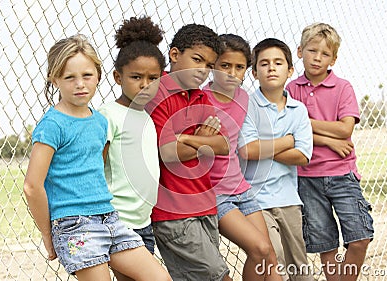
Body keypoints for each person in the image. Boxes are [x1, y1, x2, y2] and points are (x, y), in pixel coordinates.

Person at [23, 34, 171, 281]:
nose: (80, 84)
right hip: (74, 224)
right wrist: (49, 236)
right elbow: (32, 186)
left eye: (87, 76)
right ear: (55, 79)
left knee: (160, 278)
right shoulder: (52, 125)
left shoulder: (100, 121)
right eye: (69, 77)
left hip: (110, 218)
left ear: (99, 76)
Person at [286, 23, 374, 281]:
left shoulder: (343, 87)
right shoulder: (292, 89)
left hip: (342, 175)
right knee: (326, 245)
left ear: (333, 58)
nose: (317, 57)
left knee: (360, 238)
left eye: (325, 54)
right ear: (300, 51)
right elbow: (289, 134)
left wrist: (305, 123)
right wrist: (329, 141)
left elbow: (345, 129)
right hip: (307, 177)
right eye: (312, 50)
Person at [145, 24, 233, 281]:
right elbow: (168, 152)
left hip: (204, 203)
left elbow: (224, 145)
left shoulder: (201, 97)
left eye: (209, 65)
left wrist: (186, 138)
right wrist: (203, 140)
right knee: (219, 277)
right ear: (174, 54)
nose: (202, 71)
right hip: (174, 211)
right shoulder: (157, 91)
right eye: (197, 60)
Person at [202, 34, 282, 281]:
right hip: (215, 194)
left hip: (241, 188)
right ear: (213, 66)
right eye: (225, 66)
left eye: (239, 67)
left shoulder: (243, 98)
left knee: (270, 259)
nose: (231, 73)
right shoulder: (201, 99)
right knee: (258, 249)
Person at [98, 16, 171, 281]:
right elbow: (96, 166)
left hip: (143, 222)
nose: (144, 84)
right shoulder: (108, 115)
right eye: (136, 77)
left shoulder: (146, 116)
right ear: (118, 77)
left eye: (153, 78)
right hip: (117, 222)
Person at [238, 38, 314, 281]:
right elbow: (248, 150)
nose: (271, 68)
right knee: (273, 257)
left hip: (289, 198)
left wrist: (264, 145)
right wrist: (287, 141)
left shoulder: (298, 110)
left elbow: (303, 156)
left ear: (290, 70)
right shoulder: (247, 105)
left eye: (278, 63)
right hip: (255, 198)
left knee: (299, 266)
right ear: (254, 72)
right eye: (264, 63)